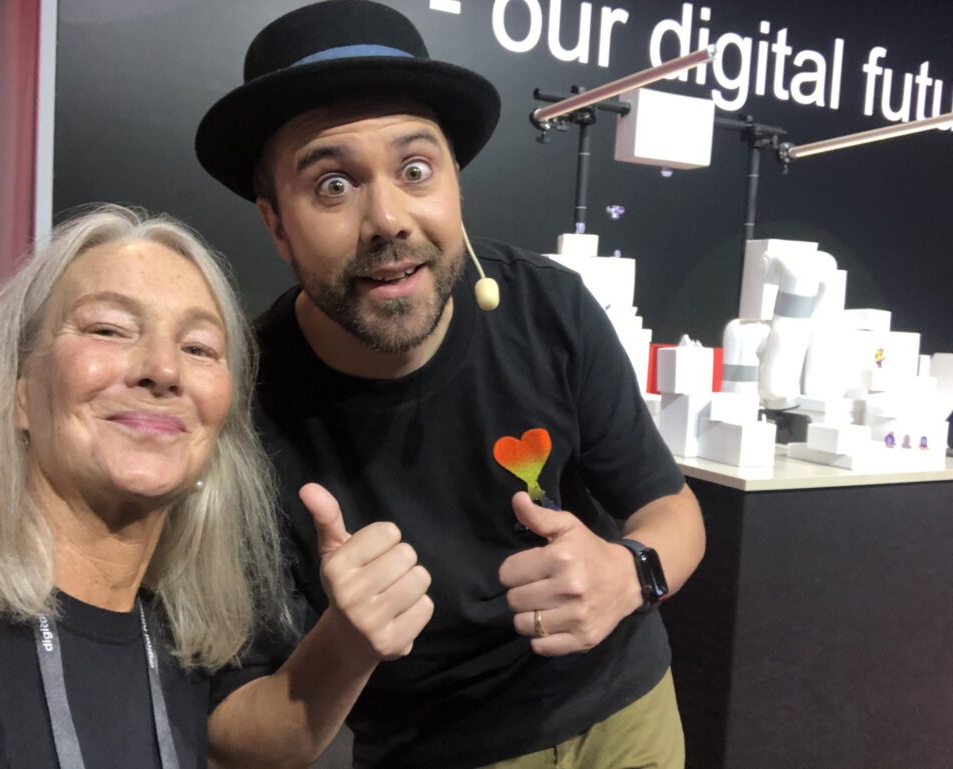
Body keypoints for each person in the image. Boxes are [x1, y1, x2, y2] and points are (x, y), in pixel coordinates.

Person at [196, 2, 706, 768]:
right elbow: (239, 736)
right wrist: (344, 643)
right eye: (332, 185)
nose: (387, 218)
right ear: (276, 224)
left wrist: (632, 572)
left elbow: (672, 508)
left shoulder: (549, 307)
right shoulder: (242, 408)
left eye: (414, 170)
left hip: (629, 712)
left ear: (454, 182)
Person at [0, 204, 398, 769]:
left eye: (198, 347)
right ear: (20, 391)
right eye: (108, 329)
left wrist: (347, 640)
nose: (162, 369)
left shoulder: (183, 645)